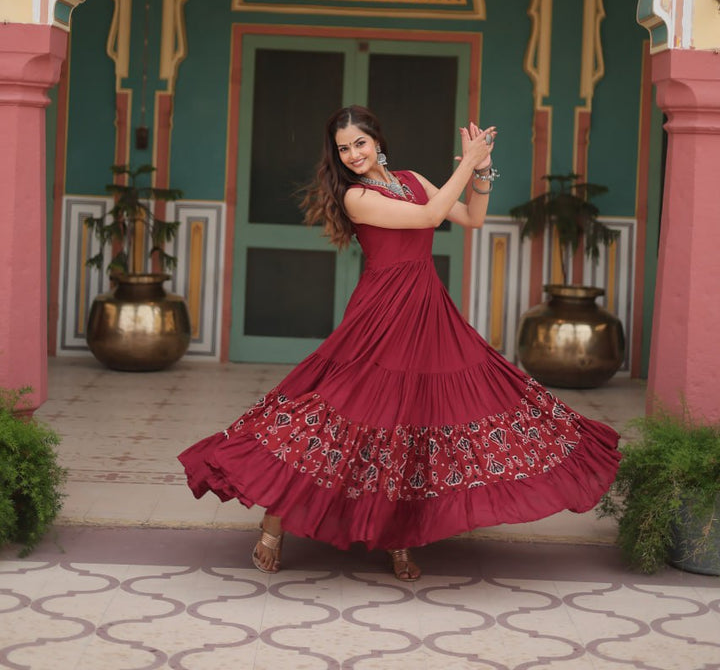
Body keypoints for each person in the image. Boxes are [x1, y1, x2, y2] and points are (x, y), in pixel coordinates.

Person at [178, 105, 620, 581]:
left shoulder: (411, 178)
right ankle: (275, 520)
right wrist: (466, 163)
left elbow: (470, 219)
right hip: (378, 318)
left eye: (359, 144)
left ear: (377, 141)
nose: (352, 155)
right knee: (338, 416)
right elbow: (430, 217)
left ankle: (400, 537)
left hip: (427, 311)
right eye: (343, 148)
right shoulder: (356, 198)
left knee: (414, 420)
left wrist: (484, 170)